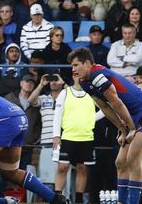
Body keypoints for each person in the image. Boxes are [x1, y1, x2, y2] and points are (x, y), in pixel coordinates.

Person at [68, 47, 142, 204]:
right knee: (120, 162)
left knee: (133, 159)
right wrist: (123, 130)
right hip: (132, 115)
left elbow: (117, 103)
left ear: (88, 63)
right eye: (72, 66)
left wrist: (131, 128)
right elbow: (105, 108)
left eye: (76, 65)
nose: (73, 69)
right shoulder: (85, 82)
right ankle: (122, 201)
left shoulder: (97, 75)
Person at [53, 76, 96, 204]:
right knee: (62, 167)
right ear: (73, 76)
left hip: (86, 138)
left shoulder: (92, 93)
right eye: (77, 74)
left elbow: (106, 109)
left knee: (82, 168)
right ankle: (58, 197)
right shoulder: (65, 93)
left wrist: (91, 120)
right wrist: (56, 135)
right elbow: (57, 114)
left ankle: (79, 199)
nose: (80, 77)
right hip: (67, 137)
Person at [28, 72, 65, 190]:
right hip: (45, 142)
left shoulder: (67, 98)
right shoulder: (44, 98)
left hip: (63, 142)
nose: (53, 82)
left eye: (56, 80)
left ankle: (61, 198)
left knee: (62, 173)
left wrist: (63, 84)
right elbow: (31, 100)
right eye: (51, 80)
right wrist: (41, 84)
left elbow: (75, 96)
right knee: (46, 176)